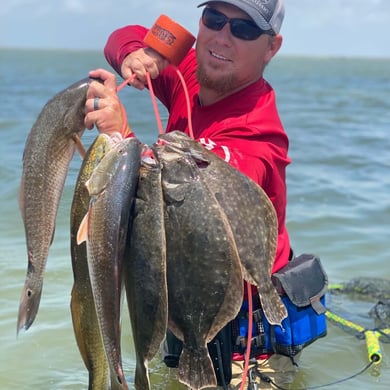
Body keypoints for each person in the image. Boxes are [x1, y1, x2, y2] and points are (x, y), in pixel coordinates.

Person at [84, 1, 327, 388]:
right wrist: (138, 53)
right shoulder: (194, 76)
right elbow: (120, 36)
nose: (222, 37)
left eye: (244, 30)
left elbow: (179, 202)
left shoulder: (257, 133)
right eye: (214, 20)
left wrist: (119, 137)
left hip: (244, 351)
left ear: (272, 48)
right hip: (184, 323)